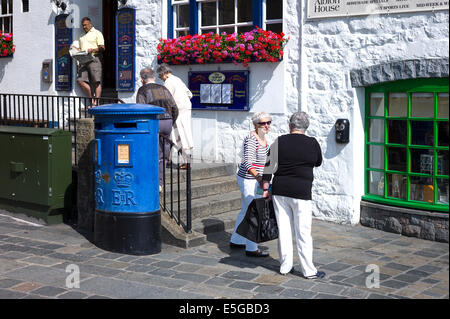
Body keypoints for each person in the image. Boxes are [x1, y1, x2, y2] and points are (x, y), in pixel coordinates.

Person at [262, 112, 325, 279]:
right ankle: (308, 270)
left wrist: (266, 187)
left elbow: (268, 166)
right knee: (303, 231)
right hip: (302, 192)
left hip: (281, 191)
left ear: (290, 126)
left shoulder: (280, 141)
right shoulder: (312, 143)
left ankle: (285, 266)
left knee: (284, 229)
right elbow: (318, 162)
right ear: (306, 127)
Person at [230, 112, 272, 257]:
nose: (266, 125)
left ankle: (236, 240)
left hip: (257, 180)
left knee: (245, 210)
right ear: (255, 125)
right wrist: (260, 179)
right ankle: (251, 248)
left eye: (268, 122)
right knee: (255, 212)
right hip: (249, 180)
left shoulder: (264, 139)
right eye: (262, 123)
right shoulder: (251, 139)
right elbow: (247, 162)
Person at [136, 68, 179, 189]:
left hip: (154, 123)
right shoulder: (164, 88)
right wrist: (171, 121)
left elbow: (141, 109)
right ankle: (160, 182)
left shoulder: (142, 90)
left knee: (152, 152)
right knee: (164, 155)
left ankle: (152, 181)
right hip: (168, 121)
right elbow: (175, 107)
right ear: (154, 77)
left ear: (142, 80)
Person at [156, 64, 194, 169]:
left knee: (179, 136)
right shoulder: (177, 79)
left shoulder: (168, 82)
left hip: (178, 111)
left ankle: (186, 162)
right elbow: (189, 94)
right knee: (179, 134)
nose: (161, 78)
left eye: (160, 76)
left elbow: (166, 99)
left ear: (163, 74)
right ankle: (168, 159)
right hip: (185, 109)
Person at [74, 17, 105, 106]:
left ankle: (97, 102)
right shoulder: (81, 36)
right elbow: (81, 49)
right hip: (84, 60)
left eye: (85, 25)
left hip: (94, 58)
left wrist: (93, 50)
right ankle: (92, 99)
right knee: (80, 81)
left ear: (90, 24)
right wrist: (76, 50)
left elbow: (102, 48)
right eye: (83, 25)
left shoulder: (97, 33)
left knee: (96, 81)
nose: (84, 27)